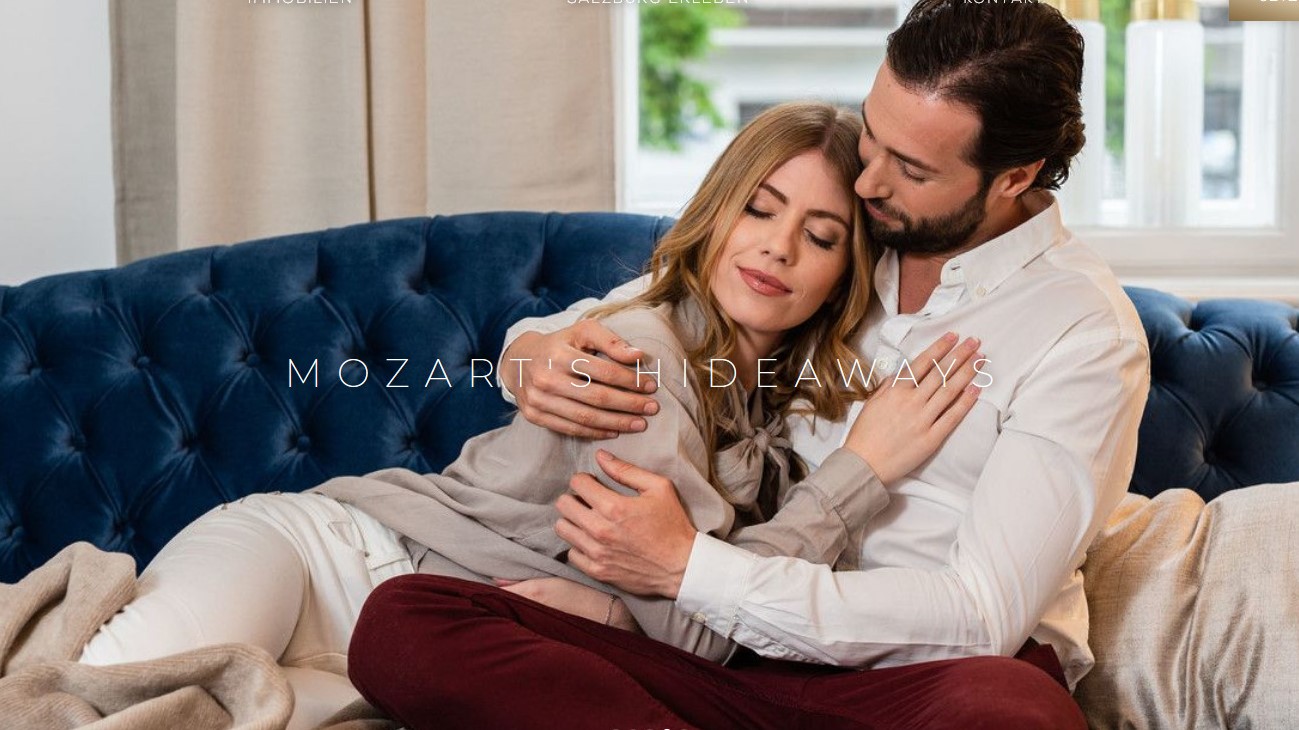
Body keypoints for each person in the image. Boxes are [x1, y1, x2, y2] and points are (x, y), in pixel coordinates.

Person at [348, 0, 1150, 728]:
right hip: (721, 659)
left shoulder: (1081, 333)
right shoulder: (848, 239)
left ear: (1014, 177)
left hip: (907, 677)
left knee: (1007, 711)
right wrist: (531, 352)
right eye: (873, 137)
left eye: (910, 169)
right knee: (405, 623)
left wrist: (688, 570)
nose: (869, 180)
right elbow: (659, 305)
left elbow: (981, 616)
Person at [77, 102, 982, 730]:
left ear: (844, 274)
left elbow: (713, 614)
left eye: (820, 236)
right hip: (329, 562)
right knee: (92, 701)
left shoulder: (771, 399)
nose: (778, 248)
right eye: (758, 209)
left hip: (428, 653)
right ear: (715, 215)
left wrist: (617, 613)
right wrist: (858, 476)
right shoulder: (642, 357)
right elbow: (699, 633)